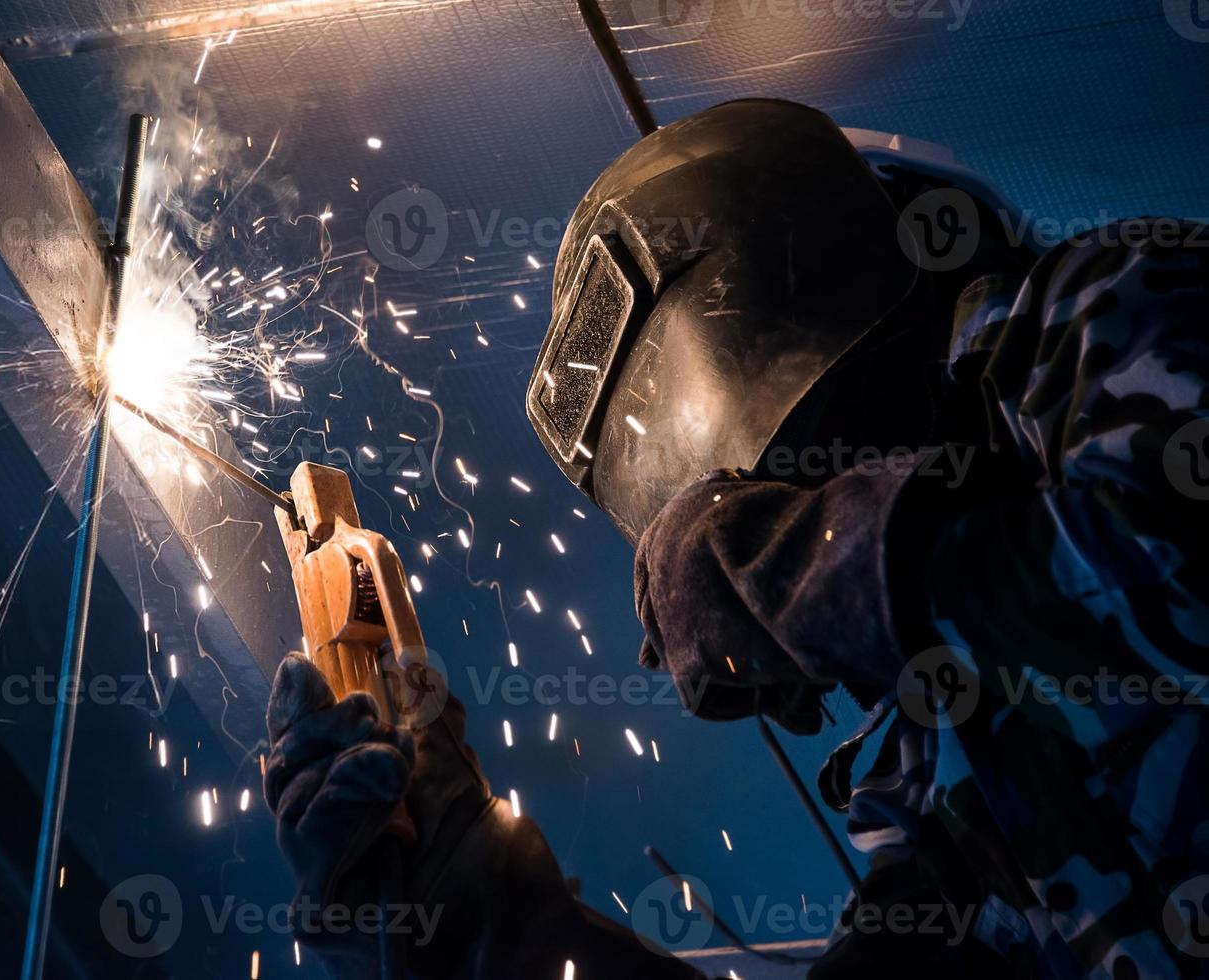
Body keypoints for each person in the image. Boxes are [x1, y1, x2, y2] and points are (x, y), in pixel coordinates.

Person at [263, 99, 1209, 978]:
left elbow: (1169, 554)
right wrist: (469, 909)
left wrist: (803, 564)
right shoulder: (923, 787)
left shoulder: (1117, 306)